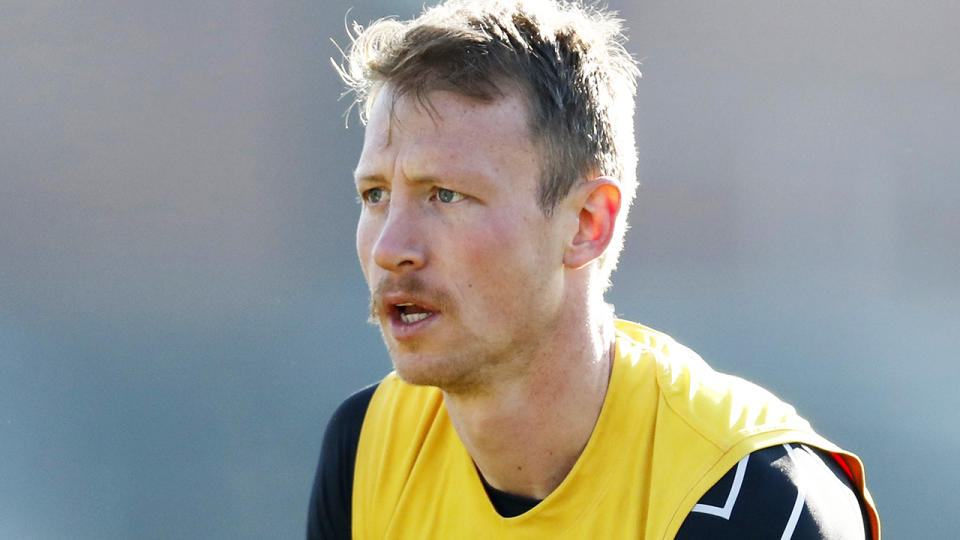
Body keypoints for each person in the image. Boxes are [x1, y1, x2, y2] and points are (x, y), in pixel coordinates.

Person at [308, 0, 880, 538]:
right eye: (376, 194)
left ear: (586, 223)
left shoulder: (748, 498)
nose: (390, 248)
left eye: (446, 195)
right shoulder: (365, 449)